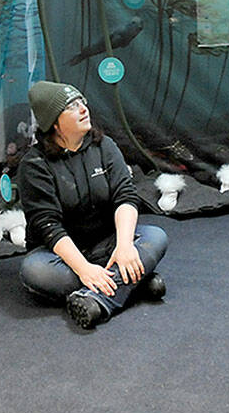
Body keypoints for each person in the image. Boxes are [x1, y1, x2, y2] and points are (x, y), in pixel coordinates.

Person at [18, 80, 168, 328]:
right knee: (34, 271)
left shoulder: (104, 146)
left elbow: (126, 197)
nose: (83, 109)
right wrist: (84, 268)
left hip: (109, 245)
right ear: (54, 123)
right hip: (61, 257)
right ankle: (131, 281)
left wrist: (125, 246)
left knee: (156, 236)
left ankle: (98, 299)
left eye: (81, 103)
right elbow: (48, 226)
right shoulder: (34, 166)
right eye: (71, 107)